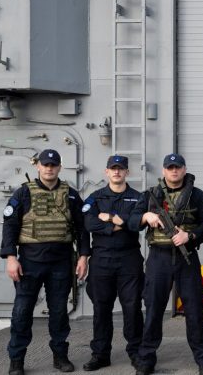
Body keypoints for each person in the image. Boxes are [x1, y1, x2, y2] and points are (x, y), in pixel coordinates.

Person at [1, 149, 91, 375]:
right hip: (29, 262)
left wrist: (83, 256)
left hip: (61, 262)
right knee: (22, 313)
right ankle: (16, 360)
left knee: (59, 313)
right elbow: (10, 226)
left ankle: (60, 357)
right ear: (38, 166)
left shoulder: (71, 195)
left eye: (53, 164)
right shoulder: (23, 193)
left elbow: (82, 228)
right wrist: (11, 258)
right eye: (45, 164)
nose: (49, 168)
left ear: (59, 167)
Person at [129, 153, 203, 375]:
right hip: (159, 258)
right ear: (164, 170)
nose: (174, 171)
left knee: (194, 310)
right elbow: (132, 221)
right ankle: (146, 359)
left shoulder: (197, 195)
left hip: (187, 259)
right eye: (170, 167)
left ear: (184, 169)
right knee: (154, 309)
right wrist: (146, 216)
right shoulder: (150, 195)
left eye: (178, 167)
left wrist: (190, 236)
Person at [82, 155, 144, 371]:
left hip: (129, 259)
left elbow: (137, 224)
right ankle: (100, 355)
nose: (117, 172)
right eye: (113, 168)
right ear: (106, 172)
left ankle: (136, 353)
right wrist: (118, 222)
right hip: (102, 259)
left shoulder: (138, 198)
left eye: (121, 168)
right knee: (101, 308)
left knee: (132, 307)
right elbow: (89, 223)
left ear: (127, 172)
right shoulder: (95, 198)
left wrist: (107, 217)